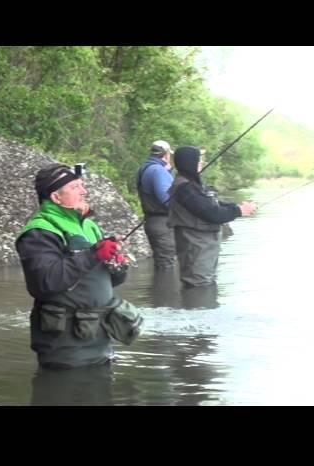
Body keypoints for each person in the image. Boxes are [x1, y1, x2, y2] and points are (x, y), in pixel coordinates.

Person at [15, 163, 129, 369]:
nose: (84, 191)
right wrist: (94, 254)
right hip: (65, 348)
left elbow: (109, 281)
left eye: (82, 185)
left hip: (100, 339)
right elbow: (46, 282)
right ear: (56, 197)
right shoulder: (39, 231)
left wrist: (117, 265)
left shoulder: (89, 225)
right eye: (75, 187)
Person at [167, 146, 256, 288]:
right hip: (196, 249)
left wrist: (237, 207)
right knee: (199, 288)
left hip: (202, 249)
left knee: (205, 287)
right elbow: (211, 213)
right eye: (198, 160)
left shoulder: (193, 185)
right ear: (189, 162)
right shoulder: (185, 188)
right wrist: (239, 211)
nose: (201, 163)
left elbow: (213, 204)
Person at [136, 139, 176, 270]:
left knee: (162, 263)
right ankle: (165, 290)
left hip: (152, 221)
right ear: (166, 155)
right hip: (163, 224)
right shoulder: (158, 171)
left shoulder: (144, 168)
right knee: (166, 265)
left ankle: (162, 289)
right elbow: (166, 199)